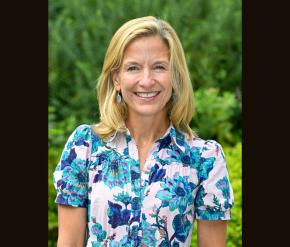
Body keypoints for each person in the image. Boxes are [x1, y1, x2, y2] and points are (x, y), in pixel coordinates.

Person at [53, 16, 234, 247]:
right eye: (133, 68)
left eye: (159, 67)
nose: (146, 81)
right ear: (116, 78)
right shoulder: (84, 147)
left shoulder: (205, 158)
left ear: (176, 76)